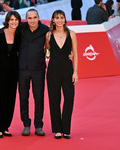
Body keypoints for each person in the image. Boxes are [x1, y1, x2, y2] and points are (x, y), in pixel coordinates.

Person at [46, 10, 78, 139]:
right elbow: (47, 51)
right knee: (54, 100)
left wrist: (75, 72)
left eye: (62, 18)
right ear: (53, 20)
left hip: (67, 70)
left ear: (65, 19)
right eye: (57, 18)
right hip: (53, 71)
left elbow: (75, 53)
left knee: (69, 99)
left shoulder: (72, 34)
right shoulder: (48, 35)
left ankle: (66, 128)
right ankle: (57, 129)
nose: (59, 20)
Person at [18, 9, 49, 136]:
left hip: (38, 69)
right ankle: (26, 124)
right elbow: (7, 29)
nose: (32, 20)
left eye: (34, 17)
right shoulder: (21, 28)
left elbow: (58, 38)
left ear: (38, 17)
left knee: (39, 98)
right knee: (23, 98)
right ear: (26, 19)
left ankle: (38, 125)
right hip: (22, 69)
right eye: (29, 18)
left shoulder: (45, 30)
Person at [0, 10, 21, 138]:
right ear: (7, 21)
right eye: (12, 20)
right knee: (0, 100)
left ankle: (5, 127)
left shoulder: (20, 35)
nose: (14, 22)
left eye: (16, 20)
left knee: (10, 100)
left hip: (14, 73)